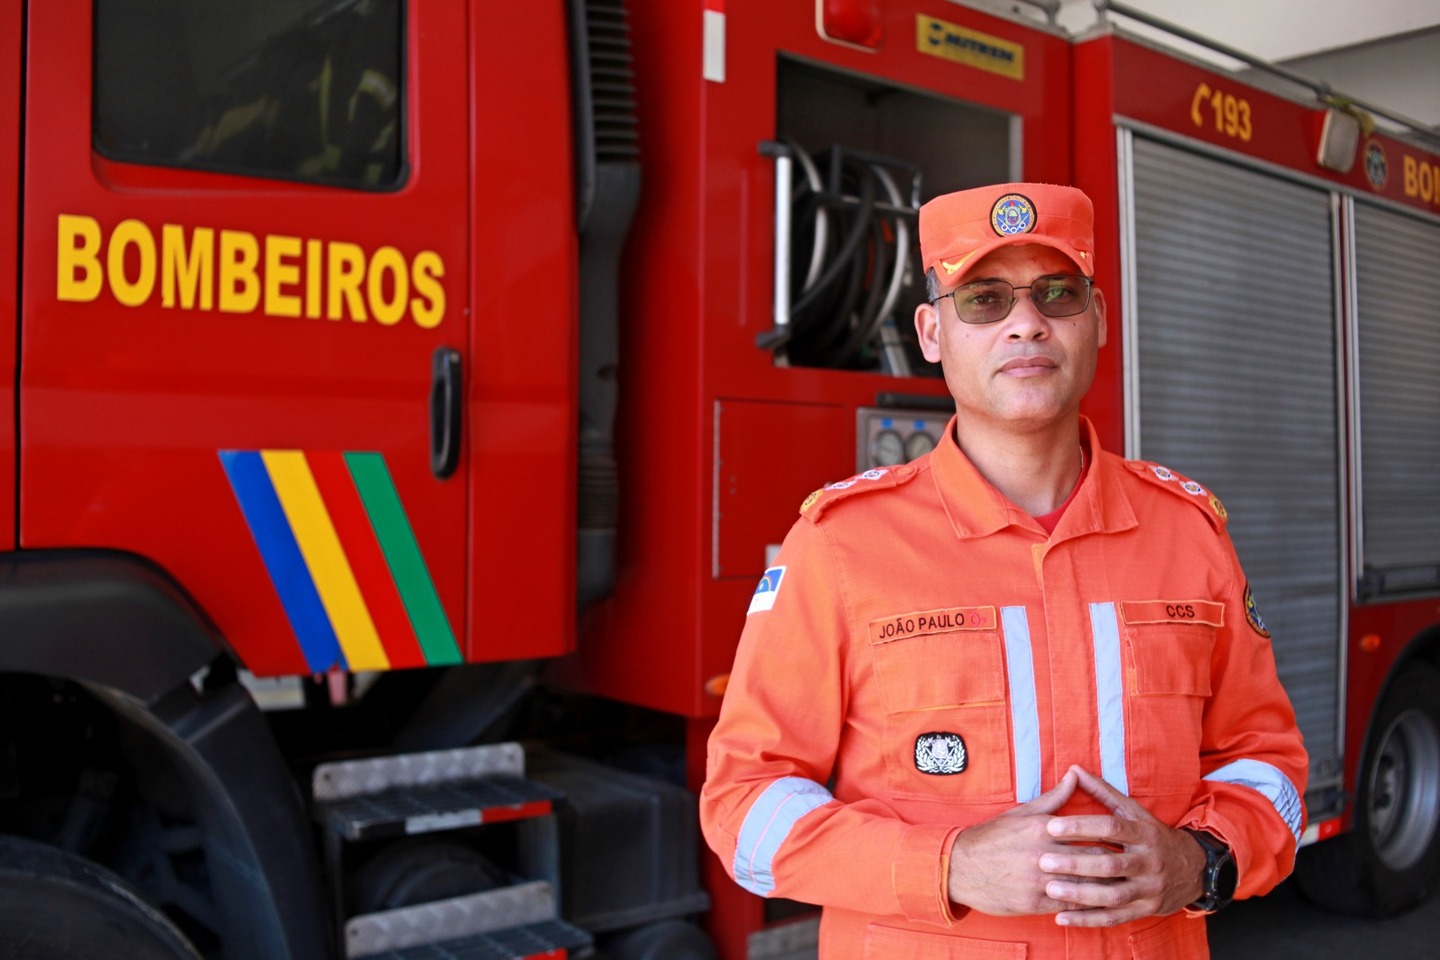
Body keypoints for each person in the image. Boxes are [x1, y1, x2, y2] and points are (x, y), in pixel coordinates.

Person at [699, 182, 1307, 959]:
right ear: (930, 331)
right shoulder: (840, 547)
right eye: (984, 299)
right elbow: (743, 806)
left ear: (1098, 319)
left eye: (1057, 294)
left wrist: (1200, 861)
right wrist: (946, 867)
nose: (1027, 322)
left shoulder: (1187, 535)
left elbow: (1268, 766)